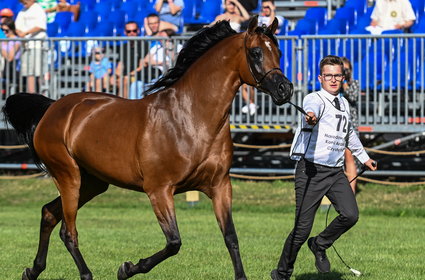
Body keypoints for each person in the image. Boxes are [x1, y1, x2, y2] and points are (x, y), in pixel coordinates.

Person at [271, 55, 377, 280]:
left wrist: (364, 158)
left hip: (335, 172)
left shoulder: (344, 103)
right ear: (320, 77)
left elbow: (349, 134)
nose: (333, 79)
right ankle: (282, 274)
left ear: (343, 77)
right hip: (311, 171)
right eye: (328, 75)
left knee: (350, 215)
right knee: (301, 231)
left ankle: (319, 244)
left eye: (337, 75)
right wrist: (311, 117)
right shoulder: (314, 99)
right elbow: (312, 110)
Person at [15, 0, 48, 94]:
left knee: (39, 72)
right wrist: (20, 33)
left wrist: (25, 33)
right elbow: (17, 26)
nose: (22, 2)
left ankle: (43, 95)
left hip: (37, 46)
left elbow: (40, 26)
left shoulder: (38, 9)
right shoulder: (22, 11)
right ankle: (31, 95)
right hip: (26, 46)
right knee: (29, 72)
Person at [113, 21, 151, 99]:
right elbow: (120, 65)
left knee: (124, 80)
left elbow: (142, 65)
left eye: (134, 31)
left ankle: (123, 105)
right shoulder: (123, 47)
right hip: (125, 76)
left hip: (140, 76)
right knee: (103, 80)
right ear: (125, 32)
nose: (132, 33)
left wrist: (127, 75)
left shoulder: (144, 45)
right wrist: (115, 75)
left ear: (138, 31)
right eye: (129, 31)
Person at [341, 57, 361, 194]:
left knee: (350, 158)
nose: (345, 72)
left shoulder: (354, 83)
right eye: (343, 69)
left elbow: (353, 96)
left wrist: (345, 84)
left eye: (347, 69)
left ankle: (351, 192)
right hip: (336, 126)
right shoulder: (334, 85)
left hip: (351, 125)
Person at [1, 17, 21, 87]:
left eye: (6, 30)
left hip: (12, 69)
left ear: (12, 29)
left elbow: (10, 58)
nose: (4, 32)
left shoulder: (16, 41)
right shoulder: (3, 40)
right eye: (2, 30)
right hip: (4, 68)